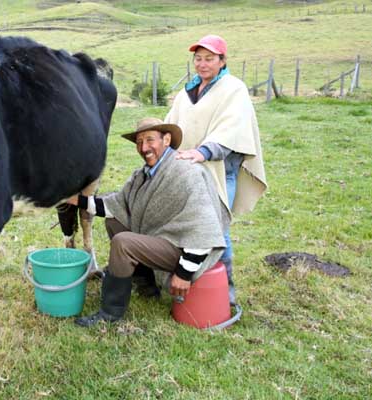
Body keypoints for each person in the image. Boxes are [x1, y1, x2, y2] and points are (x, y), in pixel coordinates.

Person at [68, 117, 229, 327]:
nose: (144, 147)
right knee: (115, 221)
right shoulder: (143, 174)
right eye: (139, 142)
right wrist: (73, 200)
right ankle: (146, 283)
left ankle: (110, 313)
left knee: (123, 243)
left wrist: (184, 273)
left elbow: (203, 229)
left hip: (184, 248)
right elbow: (114, 206)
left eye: (150, 140)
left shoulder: (186, 172)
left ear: (167, 139)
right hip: (163, 238)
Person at [165, 34, 268, 304]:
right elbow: (172, 126)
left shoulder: (234, 89)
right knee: (185, 226)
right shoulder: (188, 91)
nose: (202, 64)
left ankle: (225, 296)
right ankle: (181, 288)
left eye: (209, 59)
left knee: (215, 230)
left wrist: (203, 152)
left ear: (222, 61)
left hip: (221, 170)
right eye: (198, 59)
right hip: (188, 171)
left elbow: (231, 130)